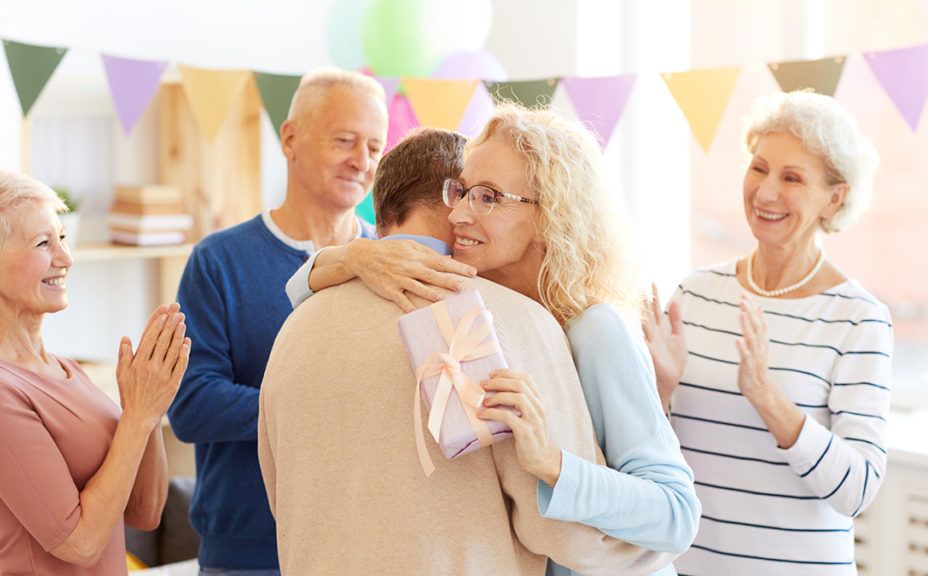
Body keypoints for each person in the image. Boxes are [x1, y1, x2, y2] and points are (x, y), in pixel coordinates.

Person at [285, 107, 700, 576]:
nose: (458, 213)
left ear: (551, 216)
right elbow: (300, 297)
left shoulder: (593, 328)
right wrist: (351, 256)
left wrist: (553, 464)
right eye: (460, 191)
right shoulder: (479, 314)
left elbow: (677, 514)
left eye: (487, 197)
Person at [642, 90, 891, 575]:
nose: (766, 191)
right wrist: (661, 391)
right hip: (689, 567)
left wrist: (767, 397)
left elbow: (857, 491)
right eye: (759, 168)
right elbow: (651, 459)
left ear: (834, 198)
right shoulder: (694, 294)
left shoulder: (859, 318)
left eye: (792, 178)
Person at [167, 67, 396, 575]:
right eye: (344, 140)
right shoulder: (218, 262)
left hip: (370, 546)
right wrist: (320, 402)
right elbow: (191, 405)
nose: (362, 162)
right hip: (250, 553)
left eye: (375, 148)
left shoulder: (393, 259)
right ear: (290, 138)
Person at [0, 168, 191, 575]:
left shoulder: (66, 369)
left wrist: (142, 410)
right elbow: (79, 543)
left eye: (63, 238)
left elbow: (145, 512)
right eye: (42, 243)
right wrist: (139, 416)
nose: (66, 259)